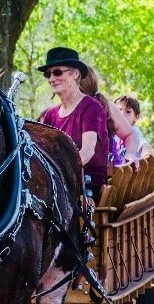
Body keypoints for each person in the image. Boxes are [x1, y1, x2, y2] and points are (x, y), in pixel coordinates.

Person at [36, 47, 110, 197]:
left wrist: (57, 173)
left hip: (86, 186)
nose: (51, 79)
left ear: (75, 74)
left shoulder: (91, 107)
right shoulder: (50, 115)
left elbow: (87, 153)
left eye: (57, 72)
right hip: (55, 184)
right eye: (48, 74)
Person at [79, 67, 144, 166]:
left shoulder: (103, 105)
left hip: (105, 169)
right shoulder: (57, 111)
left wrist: (130, 154)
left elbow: (131, 135)